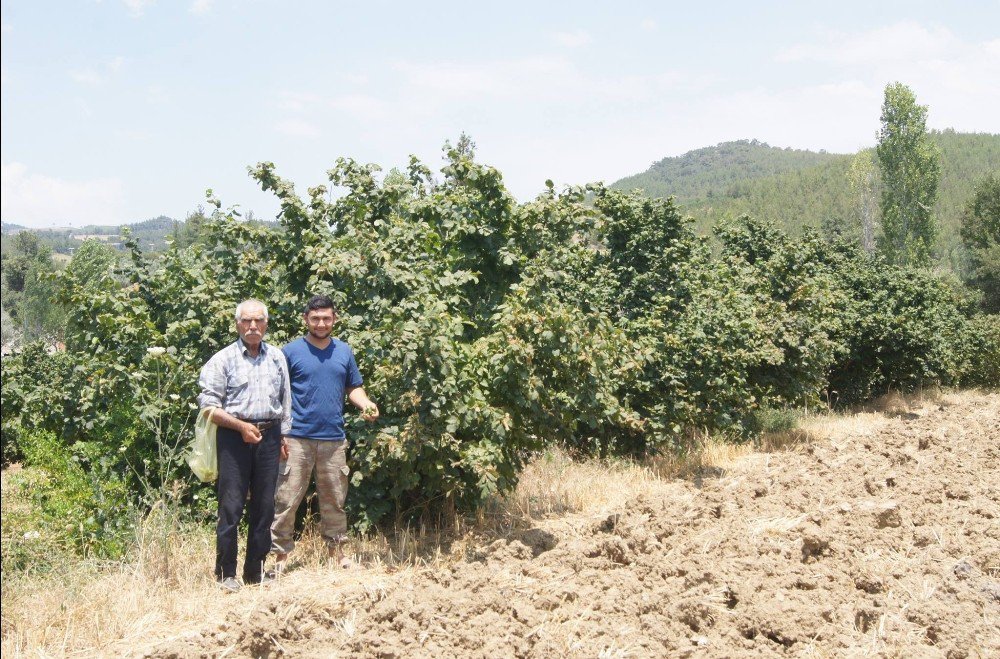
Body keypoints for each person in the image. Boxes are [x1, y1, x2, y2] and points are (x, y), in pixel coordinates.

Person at [271, 294, 379, 570]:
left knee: (335, 501)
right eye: (315, 318)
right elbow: (277, 393)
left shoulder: (344, 351)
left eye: (326, 318)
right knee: (286, 500)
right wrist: (280, 433)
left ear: (335, 319)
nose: (321, 323)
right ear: (305, 319)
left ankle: (339, 555)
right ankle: (280, 557)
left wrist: (365, 403)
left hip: (333, 439)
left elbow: (353, 387)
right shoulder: (289, 352)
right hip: (296, 439)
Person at [198, 299, 291, 593]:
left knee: (265, 506)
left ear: (266, 324)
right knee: (231, 506)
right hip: (234, 437)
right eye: (247, 321)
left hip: (269, 435)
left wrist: (284, 437)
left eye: (259, 321)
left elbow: (285, 401)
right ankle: (226, 572)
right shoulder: (222, 359)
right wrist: (240, 427)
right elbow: (208, 408)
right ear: (237, 324)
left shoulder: (276, 357)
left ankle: (255, 571)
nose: (253, 327)